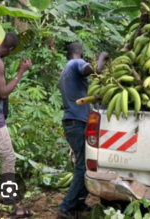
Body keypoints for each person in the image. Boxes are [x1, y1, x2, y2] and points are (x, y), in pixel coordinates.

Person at [0, 33, 33, 218]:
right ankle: (9, 203)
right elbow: (2, 93)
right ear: (9, 50)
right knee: (8, 157)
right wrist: (21, 72)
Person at [57, 42, 109, 219]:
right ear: (79, 52)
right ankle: (65, 208)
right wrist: (103, 56)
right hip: (77, 124)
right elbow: (96, 70)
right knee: (82, 167)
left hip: (73, 122)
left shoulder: (66, 71)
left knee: (83, 165)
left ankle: (78, 202)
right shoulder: (75, 64)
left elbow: (81, 97)